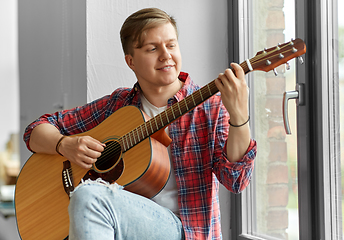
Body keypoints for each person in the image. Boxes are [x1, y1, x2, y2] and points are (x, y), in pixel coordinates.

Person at [23, 7, 257, 240]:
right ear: (131, 61)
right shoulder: (118, 105)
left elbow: (236, 181)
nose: (166, 55)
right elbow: (36, 129)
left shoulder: (211, 106)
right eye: (152, 48)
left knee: (88, 195)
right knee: (89, 194)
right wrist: (64, 144)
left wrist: (239, 116)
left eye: (171, 44)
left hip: (186, 231)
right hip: (122, 228)